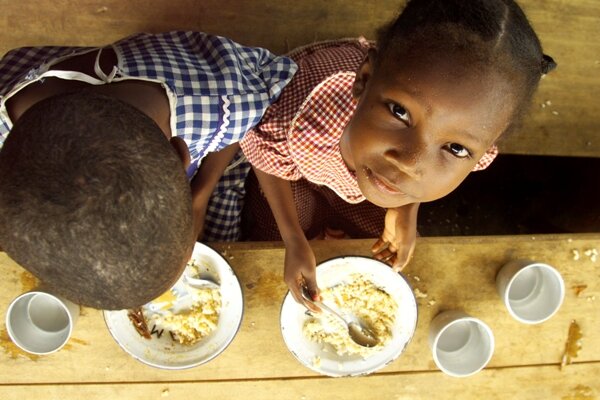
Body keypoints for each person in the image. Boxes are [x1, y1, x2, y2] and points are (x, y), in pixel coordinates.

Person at [239, 0, 556, 307]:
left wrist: (407, 209)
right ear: (364, 80)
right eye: (399, 112)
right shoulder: (304, 116)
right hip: (298, 172)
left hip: (361, 175)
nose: (410, 163)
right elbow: (263, 154)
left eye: (455, 148)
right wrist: (293, 238)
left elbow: (414, 173)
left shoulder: (472, 138)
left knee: (388, 240)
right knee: (271, 233)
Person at [0, 31, 297, 309]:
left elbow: (245, 121)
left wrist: (202, 194)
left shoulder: (225, 98)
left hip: (186, 83)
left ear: (183, 154)